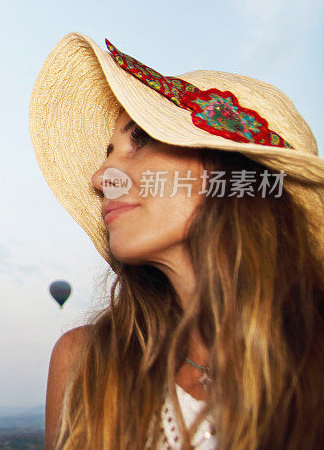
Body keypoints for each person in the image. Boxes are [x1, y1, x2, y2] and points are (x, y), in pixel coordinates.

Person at [29, 33, 324, 449]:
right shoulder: (85, 364)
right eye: (107, 152)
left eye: (140, 139)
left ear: (229, 172)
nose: (99, 179)